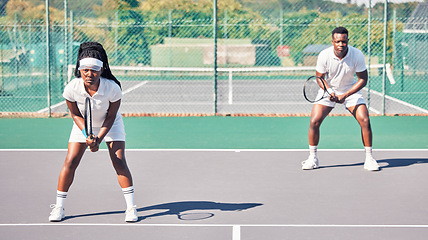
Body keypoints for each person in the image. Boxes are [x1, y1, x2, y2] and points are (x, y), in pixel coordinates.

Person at [49, 42, 138, 222]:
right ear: (80, 70)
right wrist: (86, 135)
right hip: (82, 126)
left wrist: (98, 139)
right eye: (86, 70)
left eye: (95, 70)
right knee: (70, 161)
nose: (90, 74)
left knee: (119, 161)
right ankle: (59, 207)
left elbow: (112, 116)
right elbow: (74, 113)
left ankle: (131, 208)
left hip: (110, 125)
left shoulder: (112, 87)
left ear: (102, 69)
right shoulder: (72, 88)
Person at [302, 27, 380, 171]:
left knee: (365, 120)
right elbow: (320, 79)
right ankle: (312, 158)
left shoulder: (357, 54)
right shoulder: (324, 55)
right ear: (333, 41)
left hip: (350, 91)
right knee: (314, 121)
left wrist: (346, 95)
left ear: (347, 41)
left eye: (343, 41)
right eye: (337, 41)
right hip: (328, 90)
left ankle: (369, 159)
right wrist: (330, 91)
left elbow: (363, 79)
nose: (340, 44)